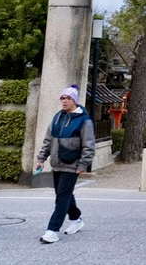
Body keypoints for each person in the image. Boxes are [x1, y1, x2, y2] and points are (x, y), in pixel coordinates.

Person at [36, 85, 96, 244]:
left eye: (68, 98)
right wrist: (41, 159)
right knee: (63, 194)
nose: (64, 101)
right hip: (57, 163)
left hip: (72, 164)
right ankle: (76, 219)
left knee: (62, 197)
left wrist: (83, 164)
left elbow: (89, 145)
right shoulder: (57, 117)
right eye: (62, 98)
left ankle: (52, 230)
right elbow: (48, 140)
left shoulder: (84, 120)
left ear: (74, 100)